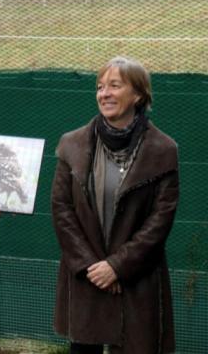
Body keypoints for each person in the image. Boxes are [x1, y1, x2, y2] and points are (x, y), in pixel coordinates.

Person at [51, 56, 178, 353]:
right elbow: (61, 210)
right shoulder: (72, 144)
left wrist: (117, 267)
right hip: (86, 277)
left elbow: (160, 221)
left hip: (137, 278)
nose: (104, 93)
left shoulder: (164, 150)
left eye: (114, 85)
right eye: (99, 87)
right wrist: (92, 268)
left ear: (138, 94)